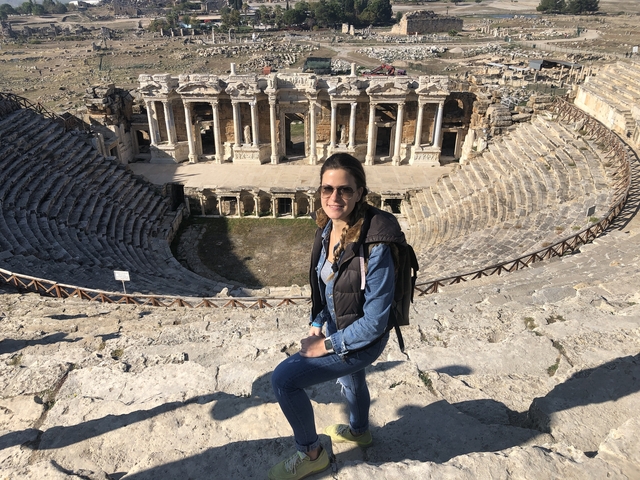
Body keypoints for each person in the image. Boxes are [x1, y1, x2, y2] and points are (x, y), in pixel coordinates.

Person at [268, 153, 406, 480]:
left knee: (283, 380)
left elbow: (374, 321)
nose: (334, 197)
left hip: (361, 340)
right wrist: (317, 322)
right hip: (336, 325)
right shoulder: (327, 227)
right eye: (327, 189)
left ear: (360, 192)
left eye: (344, 190)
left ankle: (311, 453)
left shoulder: (376, 244)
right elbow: (323, 285)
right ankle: (360, 431)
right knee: (351, 380)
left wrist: (327, 344)